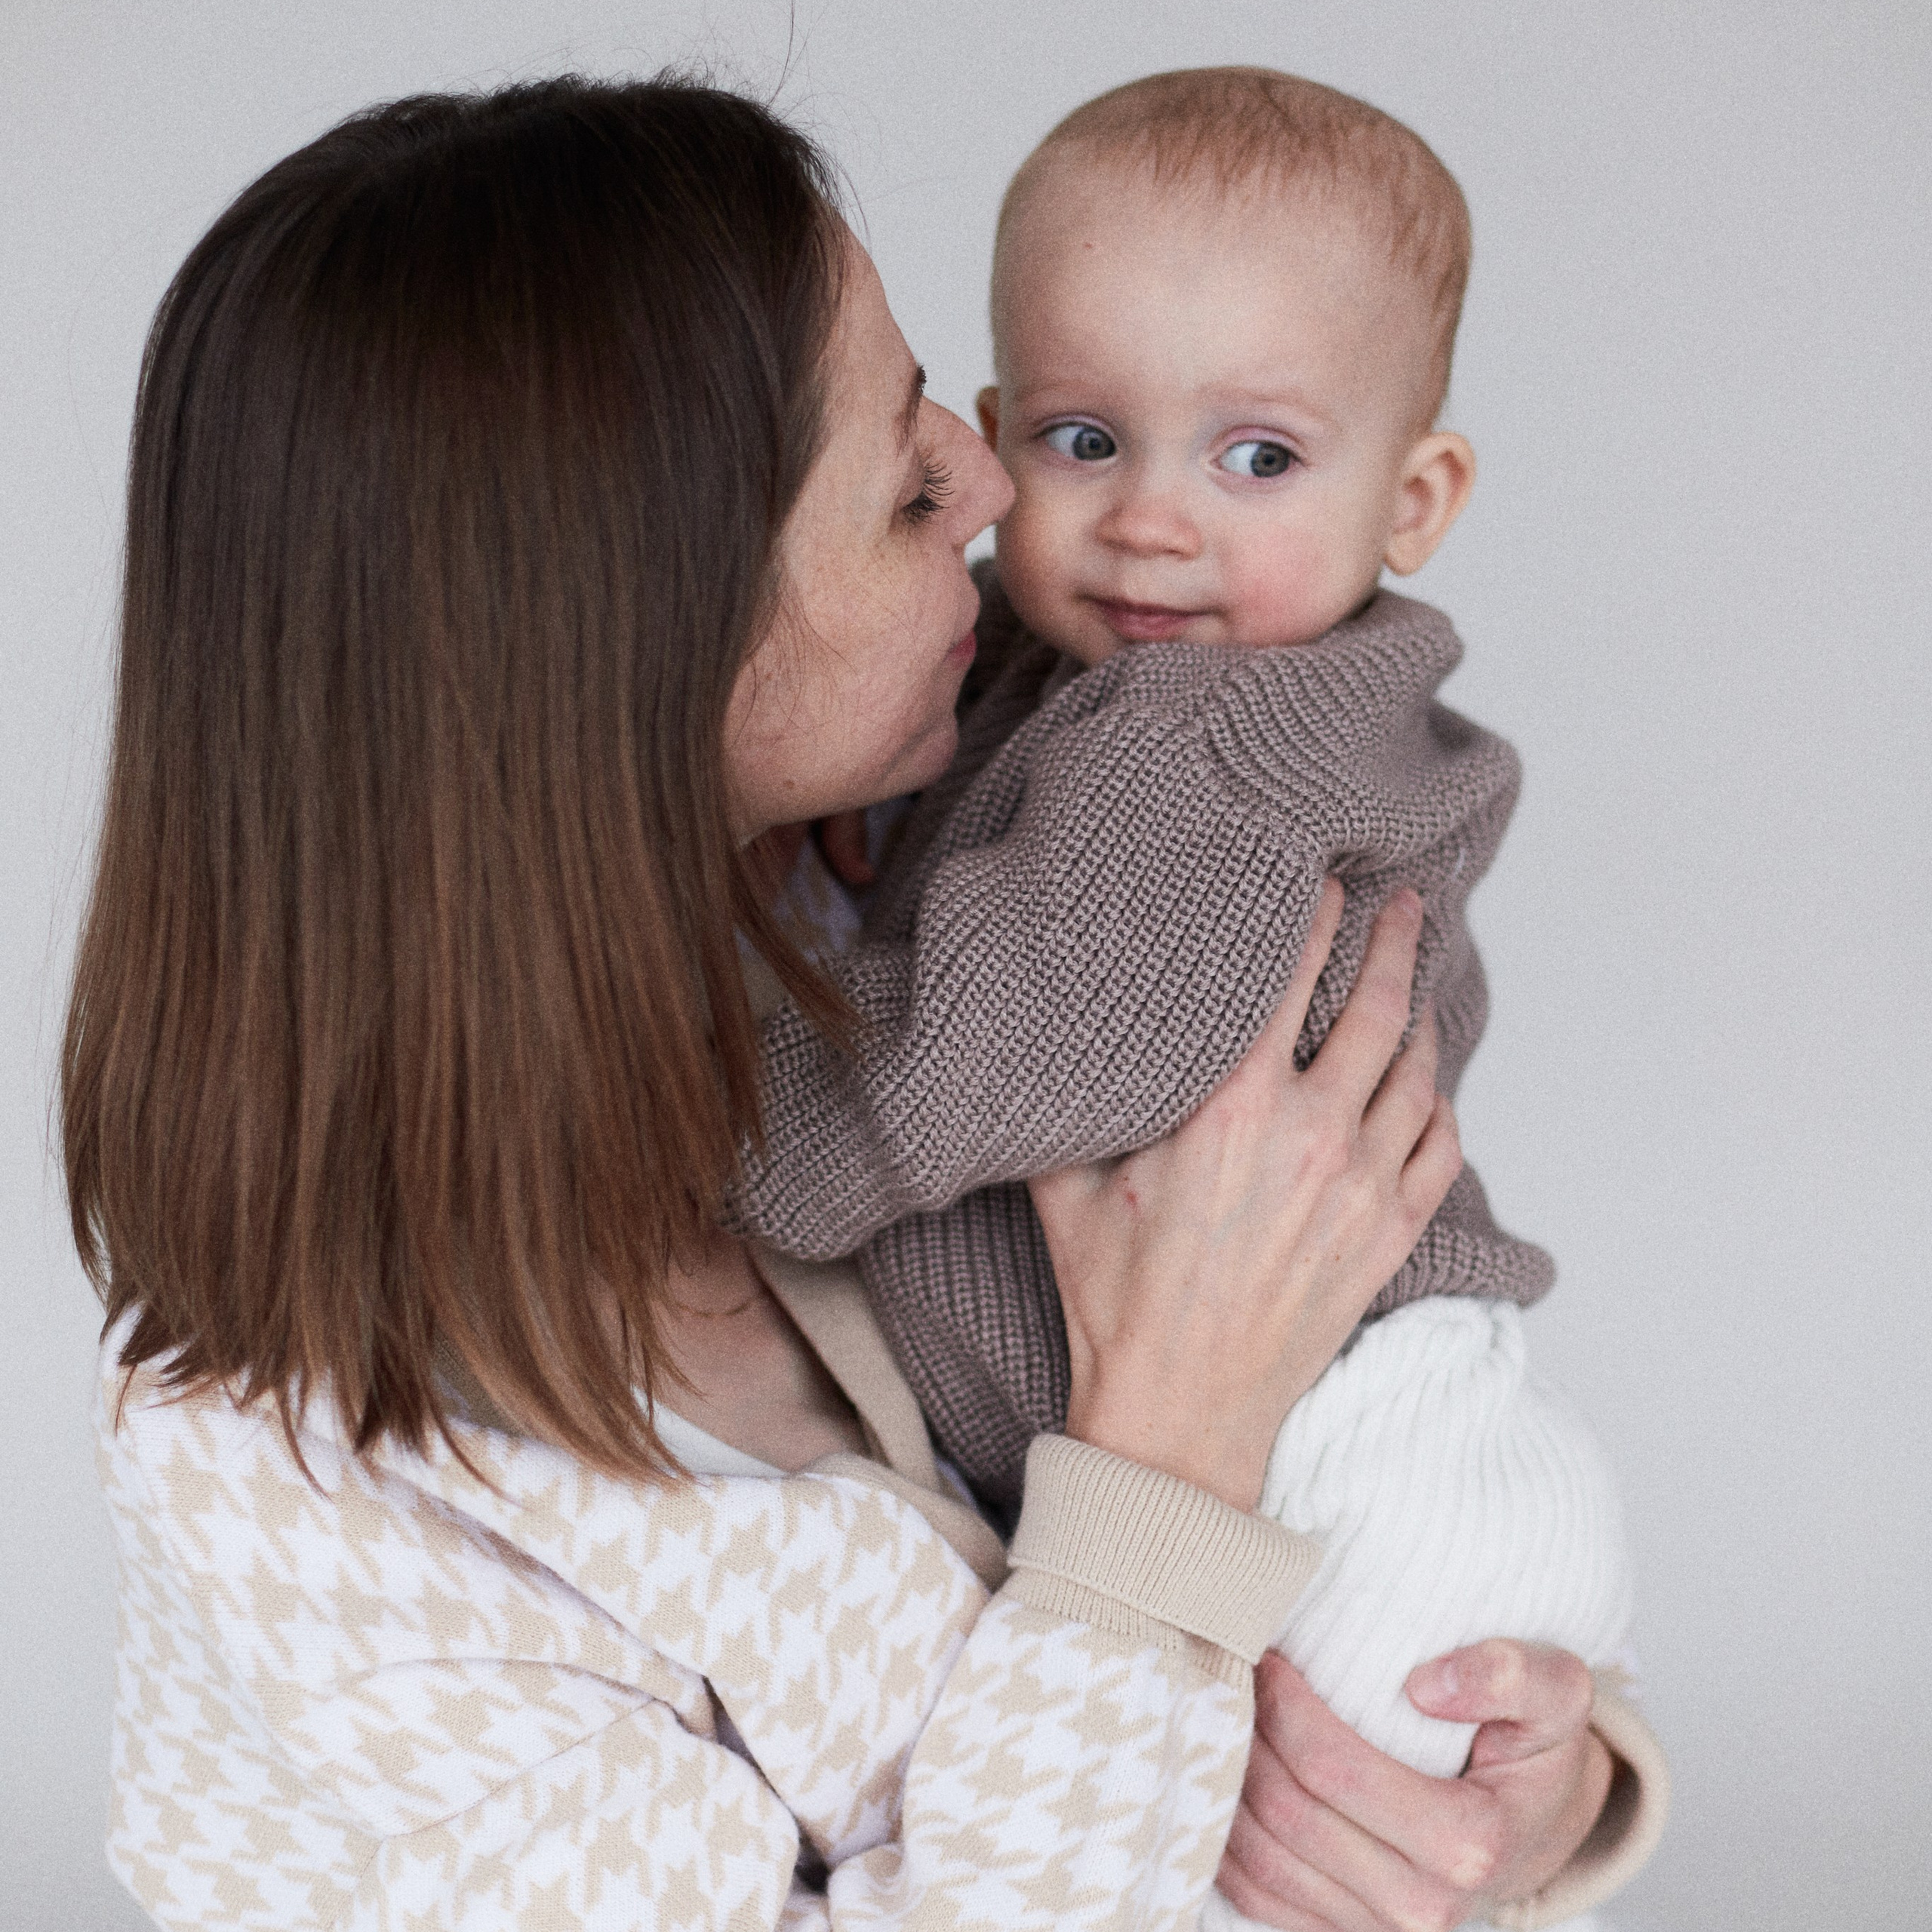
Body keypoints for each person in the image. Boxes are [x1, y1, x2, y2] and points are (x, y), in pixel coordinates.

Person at [63, 74, 1655, 1932]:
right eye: (913, 477)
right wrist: (1163, 1462)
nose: (996, 487)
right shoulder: (322, 1494)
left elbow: (1372, 1495)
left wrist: (1532, 1795)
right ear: (644, 641)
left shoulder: (885, 915)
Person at [731, 66, 1665, 1928]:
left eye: (1253, 458)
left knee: (1258, 1867)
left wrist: (739, 1092)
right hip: (1277, 1445)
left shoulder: (1212, 753)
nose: (1153, 522)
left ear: (1415, 497)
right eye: (1085, 439)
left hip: (1360, 1462)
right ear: (998, 437)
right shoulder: (1081, 688)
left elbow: (954, 1067)